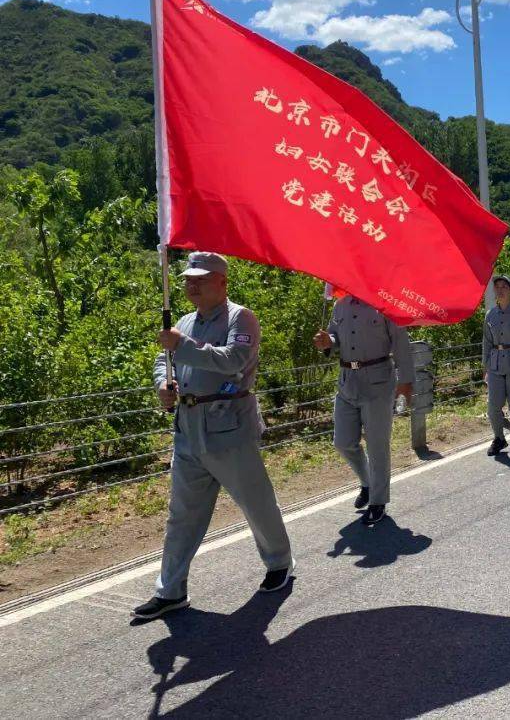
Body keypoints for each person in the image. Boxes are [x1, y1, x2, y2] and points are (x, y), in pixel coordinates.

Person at [134, 252, 294, 621]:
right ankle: (170, 590)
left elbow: (233, 359)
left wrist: (181, 346)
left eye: (202, 278)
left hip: (229, 425)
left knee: (255, 502)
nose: (192, 283)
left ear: (222, 282)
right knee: (182, 514)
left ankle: (279, 562)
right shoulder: (185, 321)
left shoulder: (241, 317)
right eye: (189, 277)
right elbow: (164, 361)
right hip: (188, 427)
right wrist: (164, 384)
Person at [313, 295, 415, 527]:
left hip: (378, 380)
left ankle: (378, 500)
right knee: (342, 442)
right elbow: (335, 337)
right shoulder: (340, 304)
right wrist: (327, 341)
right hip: (347, 381)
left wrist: (406, 381)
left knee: (377, 444)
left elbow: (400, 342)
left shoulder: (385, 302)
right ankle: (368, 482)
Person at [483, 274, 510, 456]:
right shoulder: (490, 314)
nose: (500, 290)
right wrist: (485, 366)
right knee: (493, 407)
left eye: (504, 287)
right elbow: (486, 341)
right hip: (495, 365)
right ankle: (499, 438)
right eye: (497, 287)